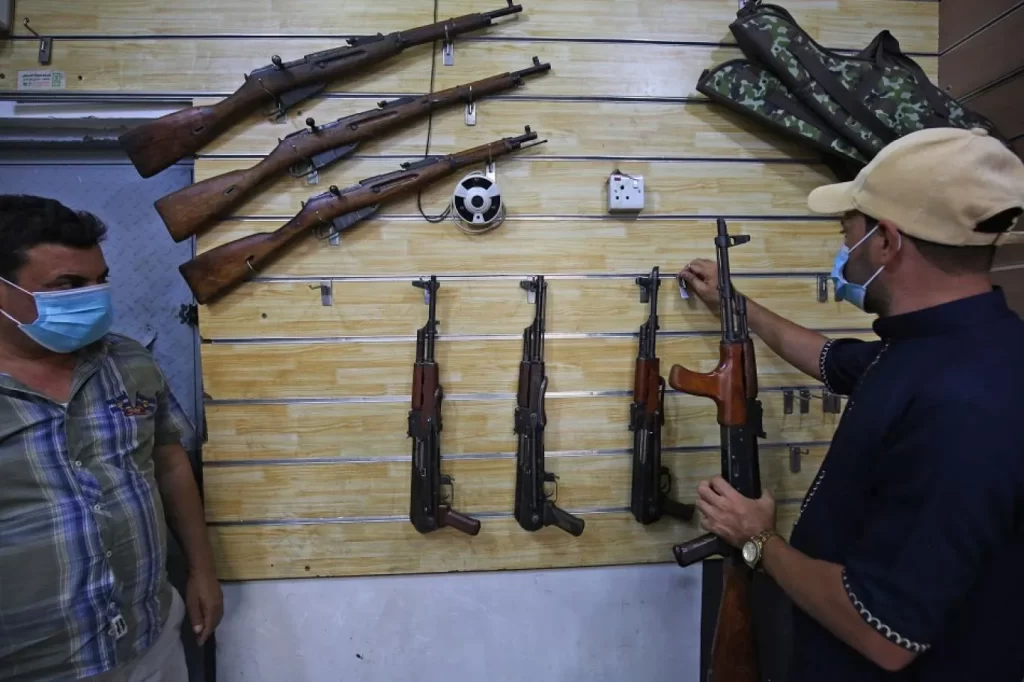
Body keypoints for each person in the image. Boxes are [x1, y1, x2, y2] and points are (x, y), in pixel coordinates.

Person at [679, 127, 1024, 681]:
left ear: (886, 242)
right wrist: (735, 304)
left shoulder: (965, 404)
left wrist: (758, 539)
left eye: (848, 230)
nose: (844, 247)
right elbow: (826, 358)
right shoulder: (938, 348)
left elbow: (884, 632)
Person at [0, 196, 223, 681]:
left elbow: (169, 463)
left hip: (148, 637)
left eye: (100, 279)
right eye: (68, 285)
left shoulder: (128, 360)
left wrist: (201, 569)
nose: (94, 296)